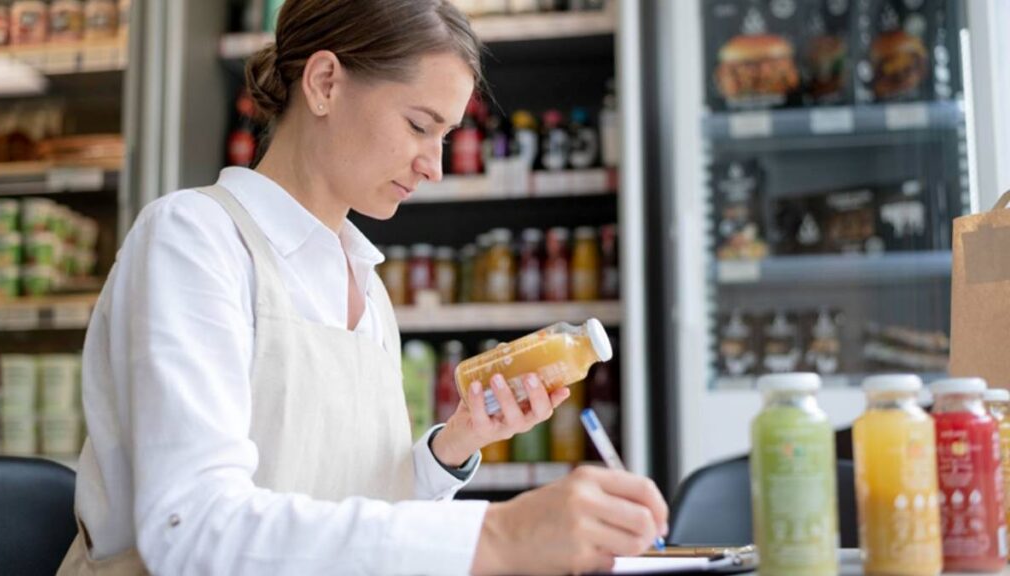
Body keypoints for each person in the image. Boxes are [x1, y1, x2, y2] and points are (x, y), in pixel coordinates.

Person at [57, 1, 668, 574]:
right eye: (419, 125)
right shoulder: (194, 240)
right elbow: (189, 529)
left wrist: (449, 451)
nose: (434, 163)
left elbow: (346, 521)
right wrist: (500, 534)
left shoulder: (366, 285)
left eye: (446, 137)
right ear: (325, 83)